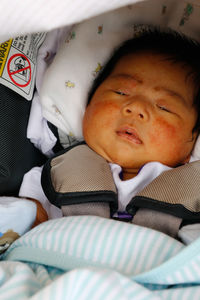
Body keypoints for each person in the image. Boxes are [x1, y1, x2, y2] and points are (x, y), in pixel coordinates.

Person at [20, 28, 200, 232]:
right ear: (88, 104)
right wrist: (27, 216)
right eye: (121, 92)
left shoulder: (193, 194)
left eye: (164, 107)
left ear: (192, 142)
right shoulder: (52, 176)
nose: (136, 107)